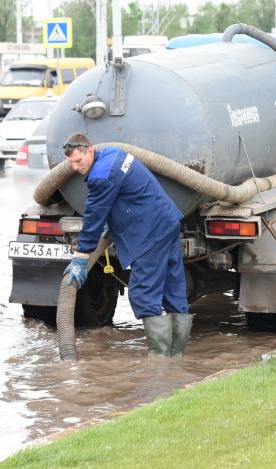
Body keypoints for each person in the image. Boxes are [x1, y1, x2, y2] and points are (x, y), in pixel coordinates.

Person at [61, 133, 192, 357]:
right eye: (71, 163)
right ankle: (176, 358)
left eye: (78, 160)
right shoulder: (113, 154)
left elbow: (93, 217)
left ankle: (159, 360)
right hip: (167, 222)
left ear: (90, 151)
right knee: (173, 289)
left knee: (144, 293)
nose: (75, 167)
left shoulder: (101, 175)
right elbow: (122, 194)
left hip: (149, 233)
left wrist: (81, 258)